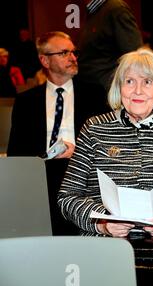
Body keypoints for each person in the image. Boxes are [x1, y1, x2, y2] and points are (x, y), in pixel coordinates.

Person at [57, 48, 153, 286]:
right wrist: (103, 223)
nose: (138, 90)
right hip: (104, 244)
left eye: (147, 82)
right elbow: (67, 196)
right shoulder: (94, 128)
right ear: (119, 88)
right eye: (130, 81)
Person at [7, 31, 108, 235]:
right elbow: (15, 152)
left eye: (73, 52)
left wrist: (78, 152)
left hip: (81, 170)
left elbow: (107, 144)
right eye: (64, 53)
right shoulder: (26, 101)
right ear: (44, 60)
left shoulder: (94, 94)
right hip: (41, 174)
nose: (72, 57)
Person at [77, 0, 143, 94]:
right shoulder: (92, 12)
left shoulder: (116, 9)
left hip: (107, 93)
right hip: (92, 91)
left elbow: (135, 55)